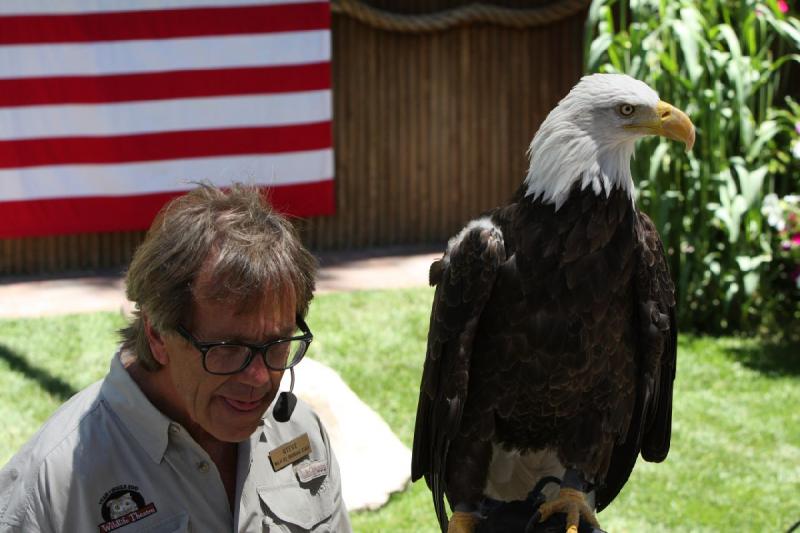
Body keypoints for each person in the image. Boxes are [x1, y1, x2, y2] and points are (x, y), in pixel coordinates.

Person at [0, 183, 352, 532]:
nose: (260, 378)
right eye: (228, 349)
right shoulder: (50, 483)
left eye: (277, 344)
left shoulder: (298, 430)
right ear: (157, 334)